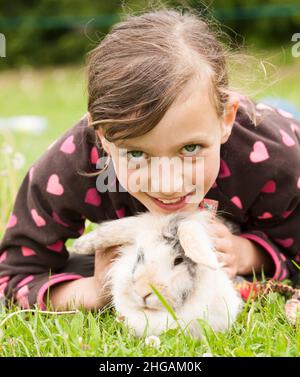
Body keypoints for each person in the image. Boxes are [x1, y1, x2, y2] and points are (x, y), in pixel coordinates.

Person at [1, 9, 300, 312]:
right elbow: (15, 276)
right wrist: (96, 289)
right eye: (136, 154)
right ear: (102, 135)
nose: (168, 185)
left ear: (226, 119)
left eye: (191, 148)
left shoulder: (272, 160)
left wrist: (248, 253)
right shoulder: (72, 164)